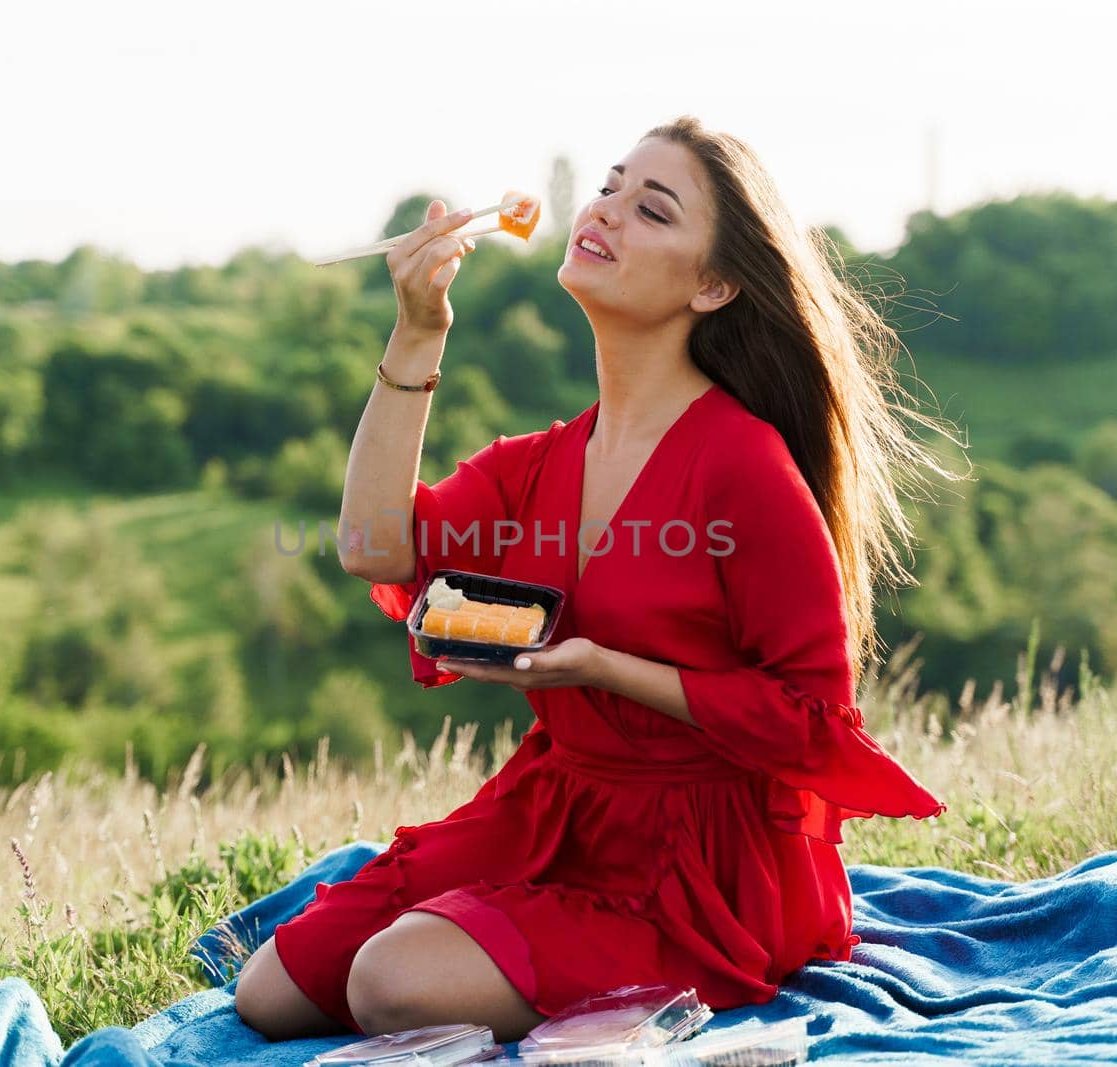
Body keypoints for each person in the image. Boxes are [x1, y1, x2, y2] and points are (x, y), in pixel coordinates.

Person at [234, 114, 962, 1044]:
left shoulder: (744, 467)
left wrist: (606, 669)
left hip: (710, 862)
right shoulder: (538, 464)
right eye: (612, 187)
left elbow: (813, 719)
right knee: (272, 989)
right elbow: (374, 546)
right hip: (558, 808)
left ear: (713, 284)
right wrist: (418, 331)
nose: (608, 212)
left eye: (651, 209)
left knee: (392, 981)